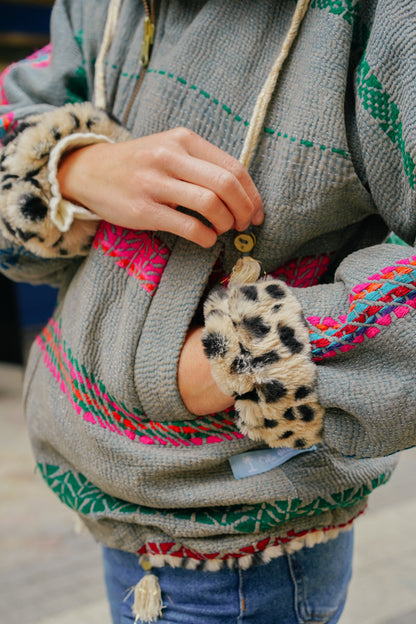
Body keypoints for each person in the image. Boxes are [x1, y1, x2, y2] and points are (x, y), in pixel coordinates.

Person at [1, 0, 415, 622]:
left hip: (246, 552)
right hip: (115, 499)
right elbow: (17, 103)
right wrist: (79, 166)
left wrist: (239, 361)